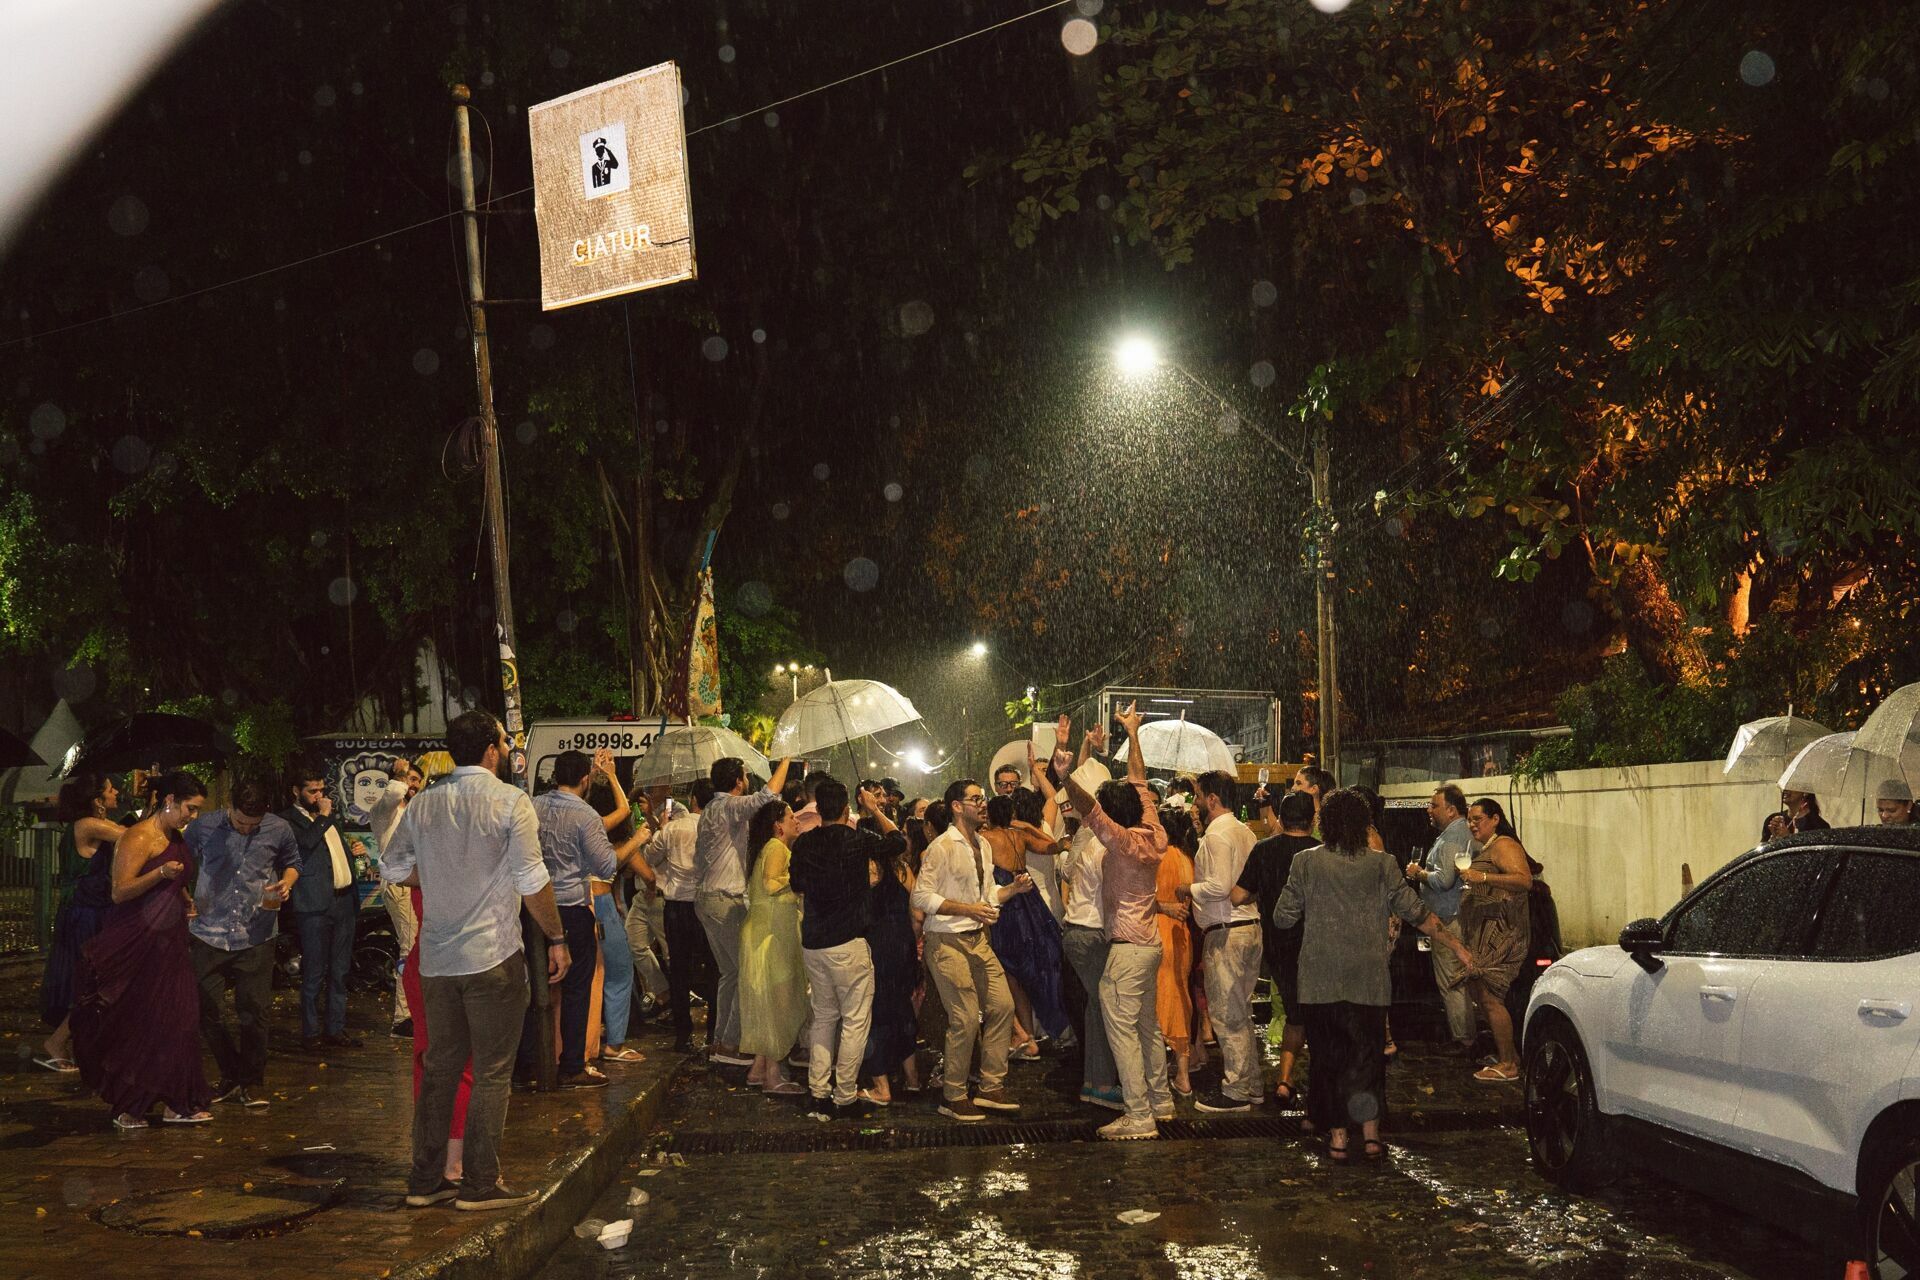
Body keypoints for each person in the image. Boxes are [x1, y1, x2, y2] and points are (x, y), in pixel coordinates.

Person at [381, 710, 572, 1212]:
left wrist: (443, 880)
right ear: (491, 749)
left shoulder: (422, 805)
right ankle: (480, 1182)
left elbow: (393, 866)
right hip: (492, 956)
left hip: (438, 960)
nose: (508, 749)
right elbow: (532, 880)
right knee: (491, 1072)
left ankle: (425, 1180)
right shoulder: (510, 802)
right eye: (505, 742)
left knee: (440, 1068)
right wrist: (556, 935)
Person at [1274, 788, 1473, 1163]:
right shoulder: (1383, 865)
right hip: (1368, 978)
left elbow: (1283, 916)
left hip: (1320, 978)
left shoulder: (1305, 862)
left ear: (1325, 823)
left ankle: (1336, 1139)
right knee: (1366, 1058)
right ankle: (1370, 1137)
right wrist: (1456, 945)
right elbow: (1416, 911)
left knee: (1329, 1059)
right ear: (1364, 825)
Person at [71, 771, 216, 1129]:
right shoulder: (138, 836)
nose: (192, 817)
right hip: (137, 941)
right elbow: (120, 891)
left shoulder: (174, 836)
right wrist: (160, 875)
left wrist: (184, 899)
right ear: (169, 801)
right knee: (141, 1022)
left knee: (180, 1020)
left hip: (170, 942)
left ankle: (177, 1100)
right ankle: (129, 1104)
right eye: (190, 808)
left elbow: (176, 877)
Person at [1063, 703, 1173, 1141]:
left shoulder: (1123, 841)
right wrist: (1133, 733)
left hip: (1127, 950)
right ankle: (1161, 1102)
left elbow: (1089, 809)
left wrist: (1064, 775)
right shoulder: (1154, 832)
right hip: (1149, 946)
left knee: (1122, 1031)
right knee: (1147, 1027)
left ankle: (1138, 1114)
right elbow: (1140, 783)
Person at [520, 749, 647, 1089]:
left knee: (535, 986)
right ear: (584, 779)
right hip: (571, 909)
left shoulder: (533, 805)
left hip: (533, 906)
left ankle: (527, 1066)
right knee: (576, 988)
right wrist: (635, 841)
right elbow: (606, 865)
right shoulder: (585, 815)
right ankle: (571, 1065)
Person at [912, 776, 1026, 1122]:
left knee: (1003, 1006)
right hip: (946, 941)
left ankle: (991, 1087)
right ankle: (954, 1094)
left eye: (983, 798)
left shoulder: (983, 845)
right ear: (957, 807)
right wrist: (967, 909)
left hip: (977, 938)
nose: (983, 803)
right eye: (975, 798)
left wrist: (1013, 891)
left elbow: (987, 896)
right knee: (964, 1016)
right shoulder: (942, 847)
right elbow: (921, 897)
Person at [790, 780, 905, 1117]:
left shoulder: (804, 843)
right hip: (848, 943)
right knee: (854, 1022)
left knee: (824, 1018)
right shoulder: (857, 841)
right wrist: (874, 809)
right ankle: (844, 1095)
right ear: (845, 809)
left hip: (813, 942)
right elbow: (897, 841)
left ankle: (818, 1091)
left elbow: (796, 883)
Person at [186, 774, 302, 1107]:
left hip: (256, 932)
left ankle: (251, 1081)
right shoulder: (204, 827)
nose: (246, 829)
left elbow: (293, 863)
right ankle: (231, 1072)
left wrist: (287, 883)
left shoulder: (278, 828)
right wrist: (184, 895)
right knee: (207, 1010)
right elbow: (180, 862)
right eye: (240, 822)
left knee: (255, 1012)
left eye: (253, 824)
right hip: (209, 930)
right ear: (229, 807)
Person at [694, 754, 794, 1068]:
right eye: (744, 776)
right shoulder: (729, 806)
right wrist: (786, 760)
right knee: (746, 974)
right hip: (725, 900)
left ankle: (721, 1040)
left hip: (707, 898)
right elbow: (768, 796)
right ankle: (730, 1043)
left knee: (730, 974)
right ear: (738, 781)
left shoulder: (709, 809)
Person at [1042, 743, 1123, 1111]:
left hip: (1075, 930)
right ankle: (1104, 1083)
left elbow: (1067, 870)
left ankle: (1093, 1082)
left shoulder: (1084, 837)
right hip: (1092, 933)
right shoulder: (1104, 839)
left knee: (1094, 1009)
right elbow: (1110, 896)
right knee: (1106, 1009)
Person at [1180, 769, 1262, 1113]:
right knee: (1240, 1012)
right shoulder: (1244, 832)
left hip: (1227, 932)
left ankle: (1237, 1091)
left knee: (1228, 1016)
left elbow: (1220, 887)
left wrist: (1186, 889)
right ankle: (1251, 1084)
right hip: (1249, 929)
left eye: (1198, 796)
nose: (1195, 804)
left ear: (1213, 799)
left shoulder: (1217, 835)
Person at [37, 772, 126, 1073]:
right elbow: (131, 836)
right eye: (111, 789)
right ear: (97, 800)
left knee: (95, 983)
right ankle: (58, 1041)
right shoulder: (88, 825)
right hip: (84, 913)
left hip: (90, 909)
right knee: (91, 984)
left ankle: (78, 1042)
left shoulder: (93, 824)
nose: (117, 792)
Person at [1232, 788, 1314, 1104]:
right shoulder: (1321, 852)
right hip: (1316, 943)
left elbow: (1238, 896)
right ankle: (1320, 1081)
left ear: (1280, 817)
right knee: (1317, 1013)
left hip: (1279, 946)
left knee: (1294, 1011)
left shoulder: (1264, 850)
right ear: (1313, 819)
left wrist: (1263, 892)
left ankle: (1284, 1080)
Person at [282, 762, 364, 1051]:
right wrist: (323, 817)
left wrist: (353, 852)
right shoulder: (290, 820)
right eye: (312, 790)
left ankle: (336, 1028)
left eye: (321, 789)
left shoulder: (327, 818)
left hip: (343, 901)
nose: (319, 795)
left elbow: (332, 853)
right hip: (314, 905)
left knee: (340, 970)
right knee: (314, 971)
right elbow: (304, 844)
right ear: (297, 791)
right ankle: (311, 1031)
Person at [1451, 798, 1534, 1083]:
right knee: (1480, 993)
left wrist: (1482, 876)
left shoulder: (1505, 845)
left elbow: (1524, 881)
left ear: (1495, 819)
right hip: (1485, 933)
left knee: (1489, 996)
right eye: (1470, 820)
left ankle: (1509, 1064)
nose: (1473, 824)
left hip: (1502, 934)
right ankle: (1507, 1054)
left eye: (1478, 819)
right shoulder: (1489, 847)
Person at [984, 788, 1069, 1055]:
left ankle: (1025, 1034)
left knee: (1010, 970)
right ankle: (1037, 1030)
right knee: (1038, 964)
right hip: (1030, 901)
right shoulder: (1020, 836)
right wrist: (1026, 826)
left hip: (1007, 903)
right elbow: (1052, 845)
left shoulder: (984, 839)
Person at [737, 798, 807, 1097]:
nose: (797, 821)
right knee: (778, 1005)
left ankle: (758, 1068)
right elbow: (770, 884)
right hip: (771, 940)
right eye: (792, 816)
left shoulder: (769, 848)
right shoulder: (777, 848)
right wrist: (801, 878)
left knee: (766, 1003)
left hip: (762, 936)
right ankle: (773, 1077)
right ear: (778, 825)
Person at [1404, 785, 1476, 1056]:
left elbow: (1444, 881)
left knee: (1451, 981)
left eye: (1434, 805)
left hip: (1448, 917)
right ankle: (1466, 1034)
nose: (1429, 810)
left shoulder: (1451, 838)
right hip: (1455, 914)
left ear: (1451, 809)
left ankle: (1463, 1040)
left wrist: (1419, 873)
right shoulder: (1458, 833)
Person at [860, 812, 923, 1105]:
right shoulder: (901, 869)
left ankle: (881, 1087)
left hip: (877, 949)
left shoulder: (867, 869)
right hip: (903, 945)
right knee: (902, 1014)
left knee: (876, 1018)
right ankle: (912, 1080)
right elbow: (916, 911)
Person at [654, 779, 716, 1052]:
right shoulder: (714, 828)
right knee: (713, 968)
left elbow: (650, 856)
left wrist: (663, 830)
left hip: (677, 906)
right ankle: (714, 1032)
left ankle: (683, 1034)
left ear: (692, 800)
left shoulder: (674, 828)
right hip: (705, 904)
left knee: (678, 970)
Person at [369, 758, 424, 1037]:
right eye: (409, 779)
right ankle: (403, 1018)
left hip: (420, 886)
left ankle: (416, 1012)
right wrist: (400, 775)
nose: (412, 785)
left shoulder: (418, 812)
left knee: (419, 947)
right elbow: (392, 795)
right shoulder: (384, 812)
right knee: (410, 947)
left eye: (416, 780)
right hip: (399, 885)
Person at [1154, 806, 1199, 1096]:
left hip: (1160, 933)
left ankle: (1159, 1079)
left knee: (1161, 1003)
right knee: (1180, 999)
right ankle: (1183, 1073)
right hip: (1183, 937)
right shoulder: (1186, 859)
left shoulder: (1158, 857)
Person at [1292, 766, 1335, 831]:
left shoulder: (1327, 823)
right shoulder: (1299, 814)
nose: (1293, 788)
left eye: (1298, 783)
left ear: (1314, 788)